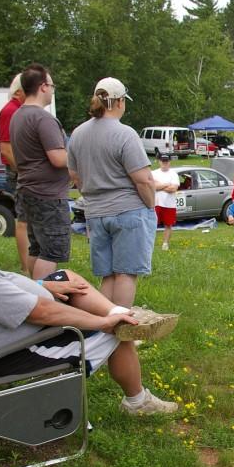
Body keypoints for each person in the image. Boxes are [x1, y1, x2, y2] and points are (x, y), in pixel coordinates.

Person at [0, 188, 178, 415]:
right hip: (9, 354)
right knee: (119, 332)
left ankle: (121, 311)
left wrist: (42, 285)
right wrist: (103, 323)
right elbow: (41, 312)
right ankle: (137, 399)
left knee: (66, 277)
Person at [67, 77, 155, 309]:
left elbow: (74, 176)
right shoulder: (125, 134)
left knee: (107, 275)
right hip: (127, 210)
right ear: (119, 102)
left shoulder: (77, 134)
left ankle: (104, 330)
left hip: (95, 212)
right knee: (126, 272)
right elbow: (143, 179)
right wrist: (150, 205)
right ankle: (120, 332)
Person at [9, 63, 70, 280]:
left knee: (36, 247)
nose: (53, 90)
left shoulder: (18, 115)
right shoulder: (43, 118)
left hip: (27, 190)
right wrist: (80, 156)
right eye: (52, 85)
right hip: (48, 196)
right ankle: (43, 299)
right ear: (43, 86)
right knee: (51, 251)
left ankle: (32, 294)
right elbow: (58, 158)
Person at [0, 73, 31, 275]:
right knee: (24, 219)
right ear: (18, 92)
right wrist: (24, 171)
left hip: (22, 170)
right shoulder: (11, 111)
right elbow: (6, 149)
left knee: (29, 218)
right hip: (19, 171)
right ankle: (26, 267)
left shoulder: (19, 111)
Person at [151, 153, 180, 251]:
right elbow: (152, 186)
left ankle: (165, 244)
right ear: (159, 161)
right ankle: (150, 243)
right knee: (151, 224)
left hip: (169, 204)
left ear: (169, 162)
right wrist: (167, 184)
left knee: (168, 225)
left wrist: (160, 186)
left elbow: (173, 189)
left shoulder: (173, 174)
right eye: (163, 161)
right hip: (156, 203)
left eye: (166, 161)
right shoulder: (153, 173)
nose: (164, 163)